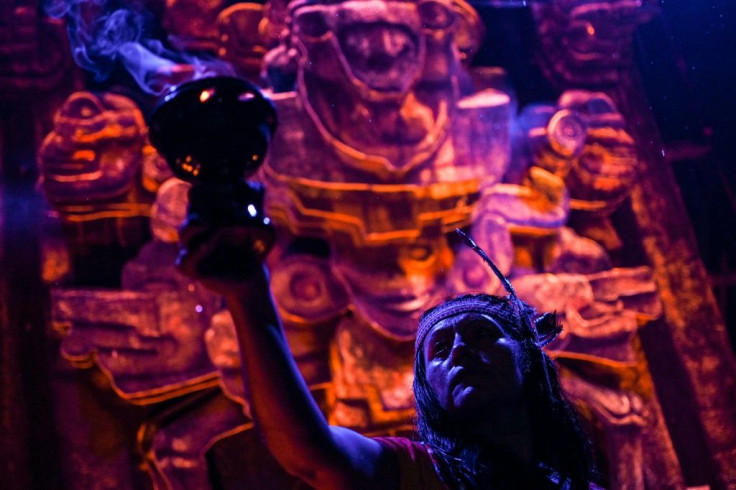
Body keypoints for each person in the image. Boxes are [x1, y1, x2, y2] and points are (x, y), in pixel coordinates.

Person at [178, 225, 596, 489]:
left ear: (529, 355)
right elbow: (312, 456)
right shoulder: (415, 475)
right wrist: (250, 294)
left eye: (482, 333)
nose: (460, 350)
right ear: (429, 392)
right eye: (439, 348)